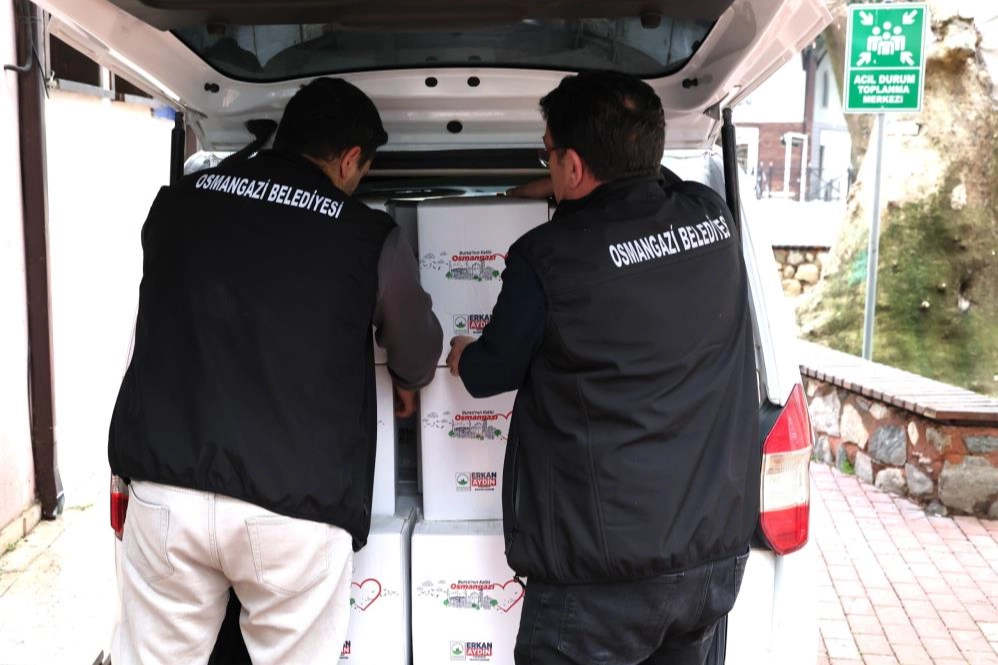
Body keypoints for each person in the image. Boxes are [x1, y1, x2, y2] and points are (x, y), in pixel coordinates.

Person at [110, 77, 442, 665]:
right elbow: (415, 350)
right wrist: (409, 381)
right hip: (293, 510)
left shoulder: (179, 202)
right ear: (350, 159)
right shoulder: (367, 237)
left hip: (166, 491)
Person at [446, 71, 760, 665]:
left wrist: (463, 351)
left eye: (548, 153)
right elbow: (643, 187)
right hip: (709, 561)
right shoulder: (712, 218)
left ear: (573, 165)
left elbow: (490, 373)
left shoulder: (547, 258)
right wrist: (556, 183)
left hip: (601, 581)